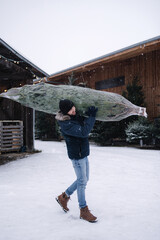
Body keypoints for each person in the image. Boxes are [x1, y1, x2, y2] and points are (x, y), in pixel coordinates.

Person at [55, 99, 98, 223]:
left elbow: (84, 124)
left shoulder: (74, 117)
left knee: (84, 179)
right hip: (77, 156)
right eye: (70, 109)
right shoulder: (66, 124)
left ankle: (64, 197)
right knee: (82, 182)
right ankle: (83, 210)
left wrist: (89, 116)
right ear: (65, 112)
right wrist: (92, 116)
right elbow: (84, 132)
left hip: (83, 153)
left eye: (73, 107)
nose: (73, 110)